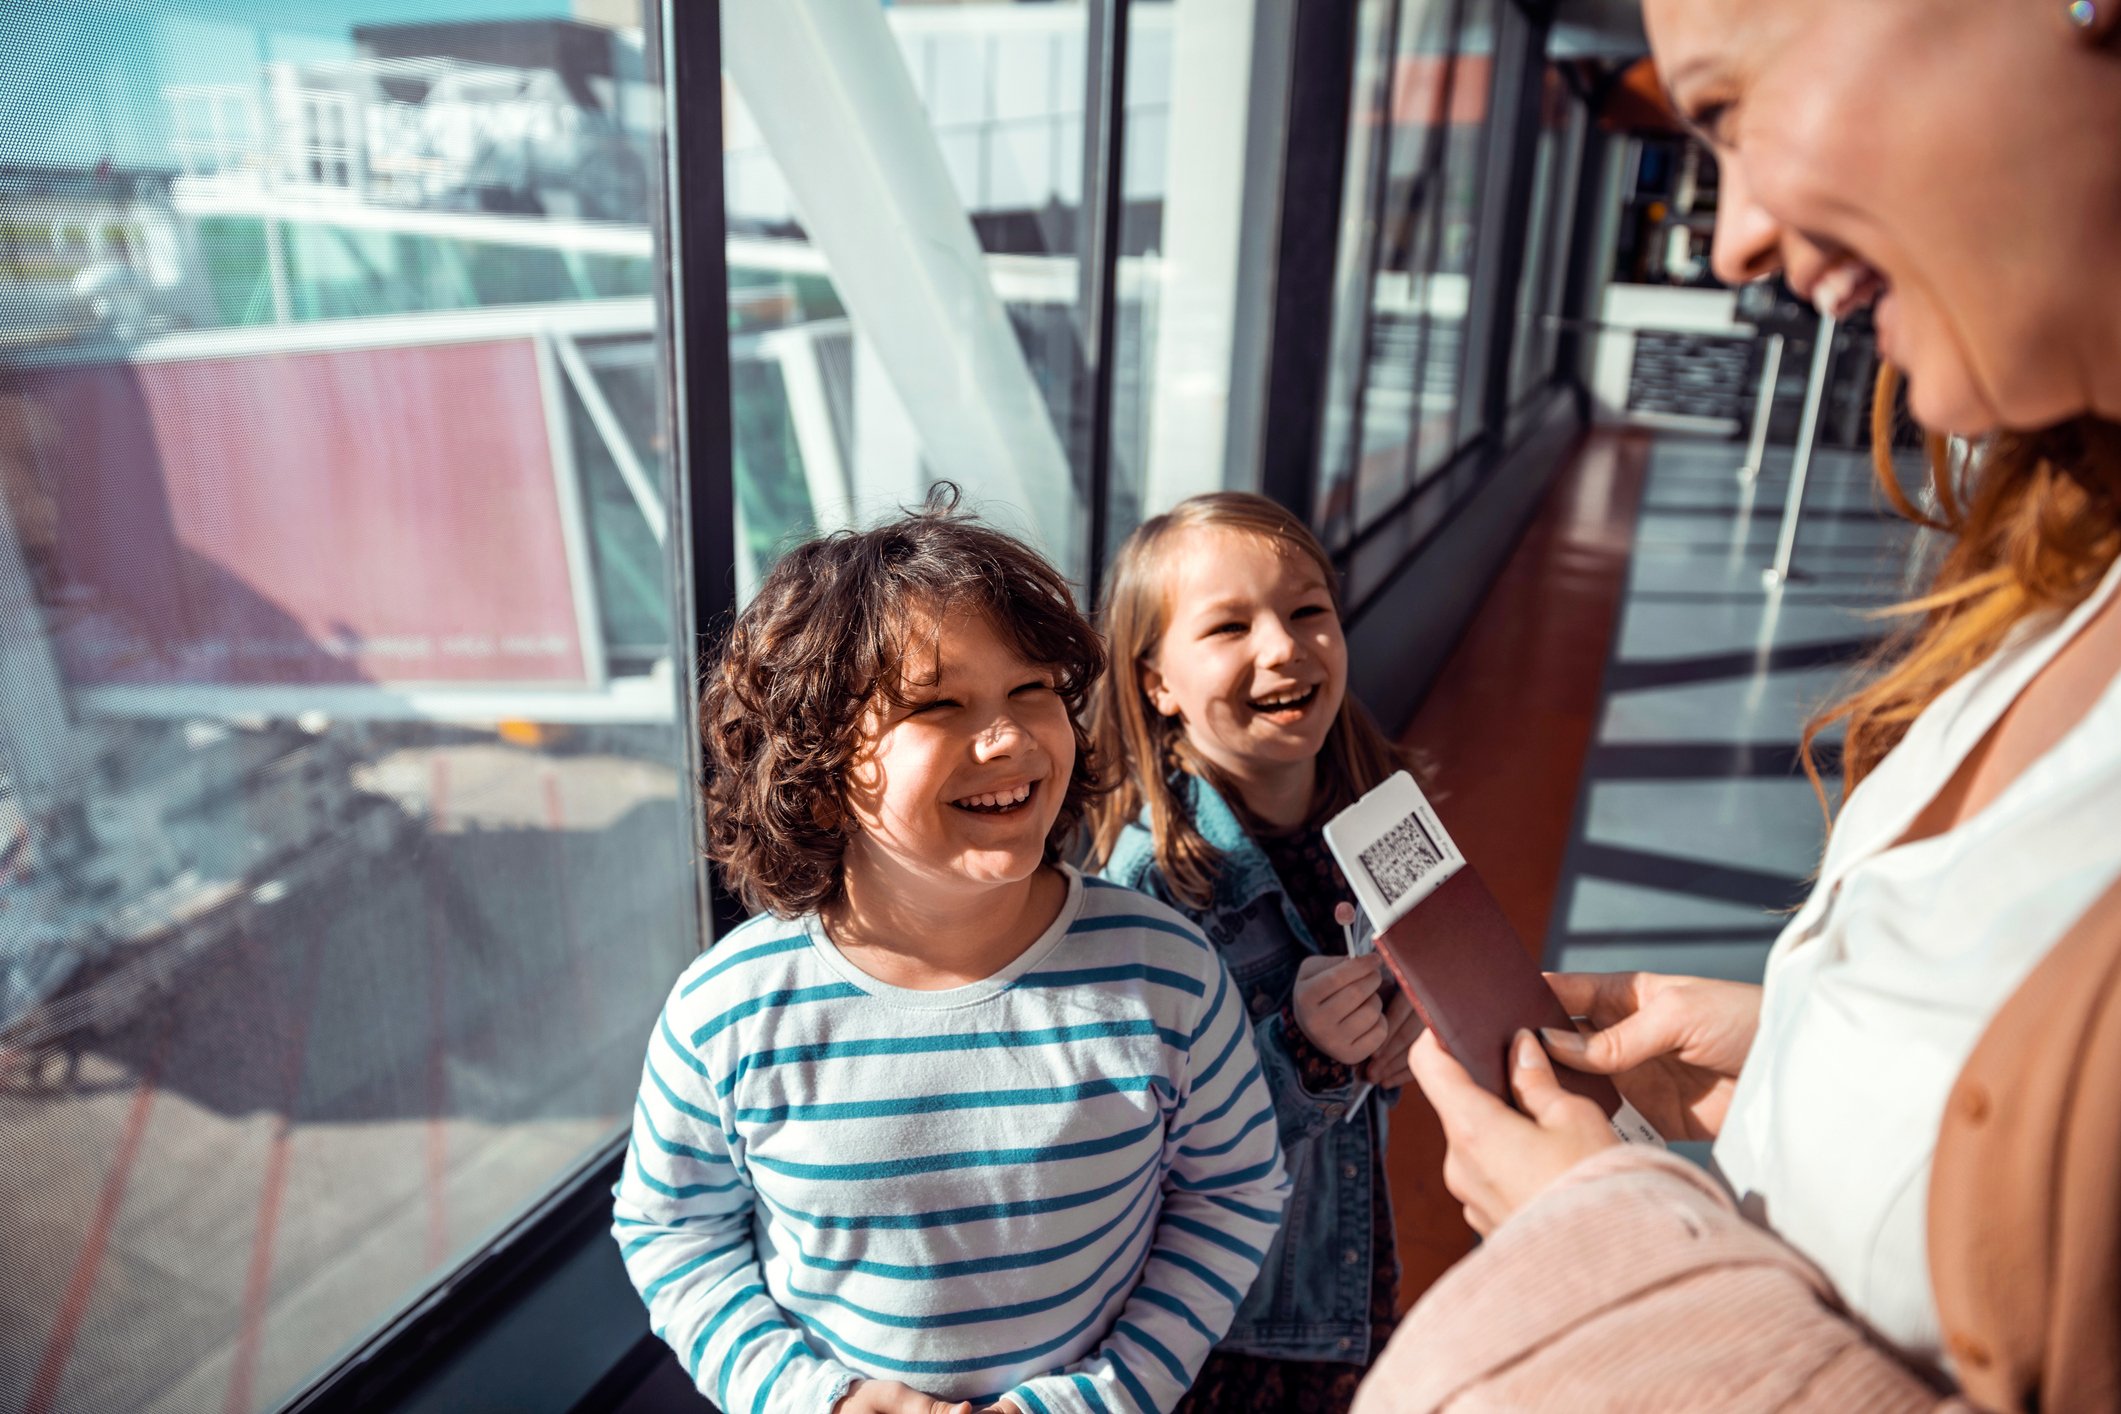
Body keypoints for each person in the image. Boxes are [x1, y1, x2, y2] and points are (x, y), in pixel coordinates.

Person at [1355, 0, 2121, 1409]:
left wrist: (1610, 1261)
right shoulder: (2073, 581)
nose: (1731, 239)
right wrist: (1801, 1055)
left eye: (1730, 109)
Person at [612, 493, 1289, 1414]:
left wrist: (1104, 1396)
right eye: (938, 705)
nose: (1007, 736)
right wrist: (821, 1401)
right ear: (815, 778)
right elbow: (670, 1232)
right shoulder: (726, 1012)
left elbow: (1234, 1195)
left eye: (1031, 690)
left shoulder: (1164, 971)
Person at [1089, 494, 1430, 1412]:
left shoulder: (1385, 810)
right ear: (1155, 682)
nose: (1283, 647)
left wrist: (1414, 1027)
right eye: (1229, 626)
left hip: (1346, 1281)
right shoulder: (1147, 891)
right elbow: (1147, 1156)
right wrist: (1306, 1050)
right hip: (1224, 1334)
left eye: (1307, 610)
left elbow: (1415, 1028)